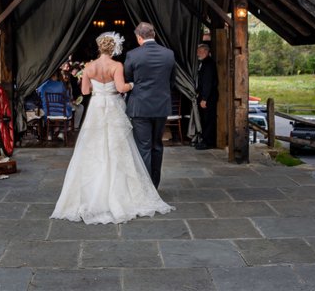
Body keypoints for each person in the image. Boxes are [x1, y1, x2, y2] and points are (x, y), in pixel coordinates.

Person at [50, 31, 173, 224]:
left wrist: (92, 83)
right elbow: (121, 88)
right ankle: (125, 192)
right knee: (119, 146)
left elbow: (84, 91)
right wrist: (132, 85)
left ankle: (93, 193)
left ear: (99, 48)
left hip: (97, 108)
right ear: (114, 49)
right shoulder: (117, 65)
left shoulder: (89, 67)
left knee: (94, 146)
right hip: (114, 106)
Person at [124, 22, 176, 189]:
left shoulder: (133, 55)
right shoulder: (169, 54)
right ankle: (154, 184)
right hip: (161, 106)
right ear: (154, 35)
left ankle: (145, 187)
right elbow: (172, 81)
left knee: (143, 146)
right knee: (157, 145)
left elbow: (128, 78)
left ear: (139, 37)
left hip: (140, 106)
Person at [195, 43, 218, 150]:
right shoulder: (204, 63)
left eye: (199, 51)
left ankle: (208, 142)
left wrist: (204, 99)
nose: (197, 53)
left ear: (205, 51)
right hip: (205, 95)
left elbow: (208, 83)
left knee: (208, 119)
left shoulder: (208, 64)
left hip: (209, 97)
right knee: (205, 119)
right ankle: (205, 139)